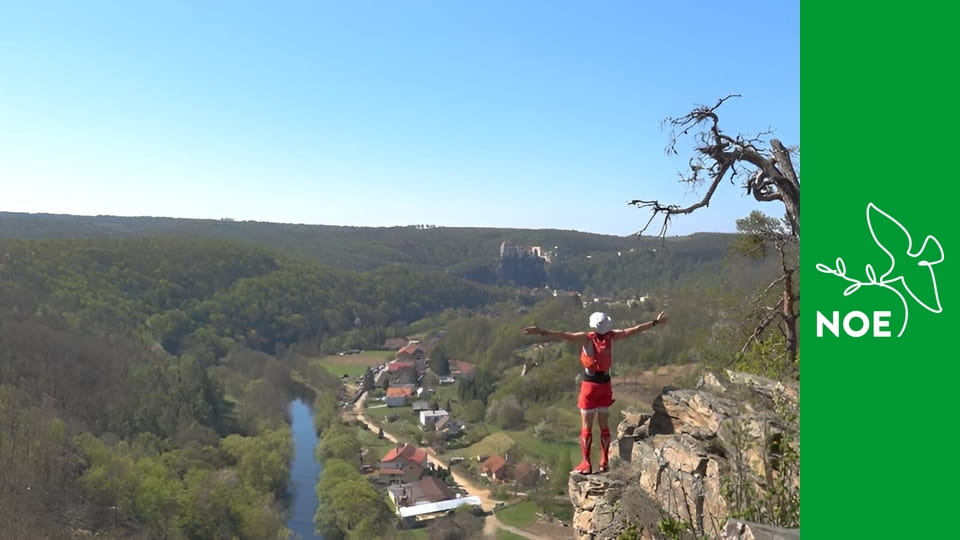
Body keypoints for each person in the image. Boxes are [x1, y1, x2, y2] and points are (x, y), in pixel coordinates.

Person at [523, 310, 667, 474]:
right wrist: (655, 322)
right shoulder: (611, 336)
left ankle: (586, 463)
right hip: (605, 384)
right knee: (604, 426)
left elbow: (563, 335)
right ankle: (604, 461)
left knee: (586, 427)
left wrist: (542, 331)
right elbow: (632, 330)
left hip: (590, 384)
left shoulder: (586, 338)